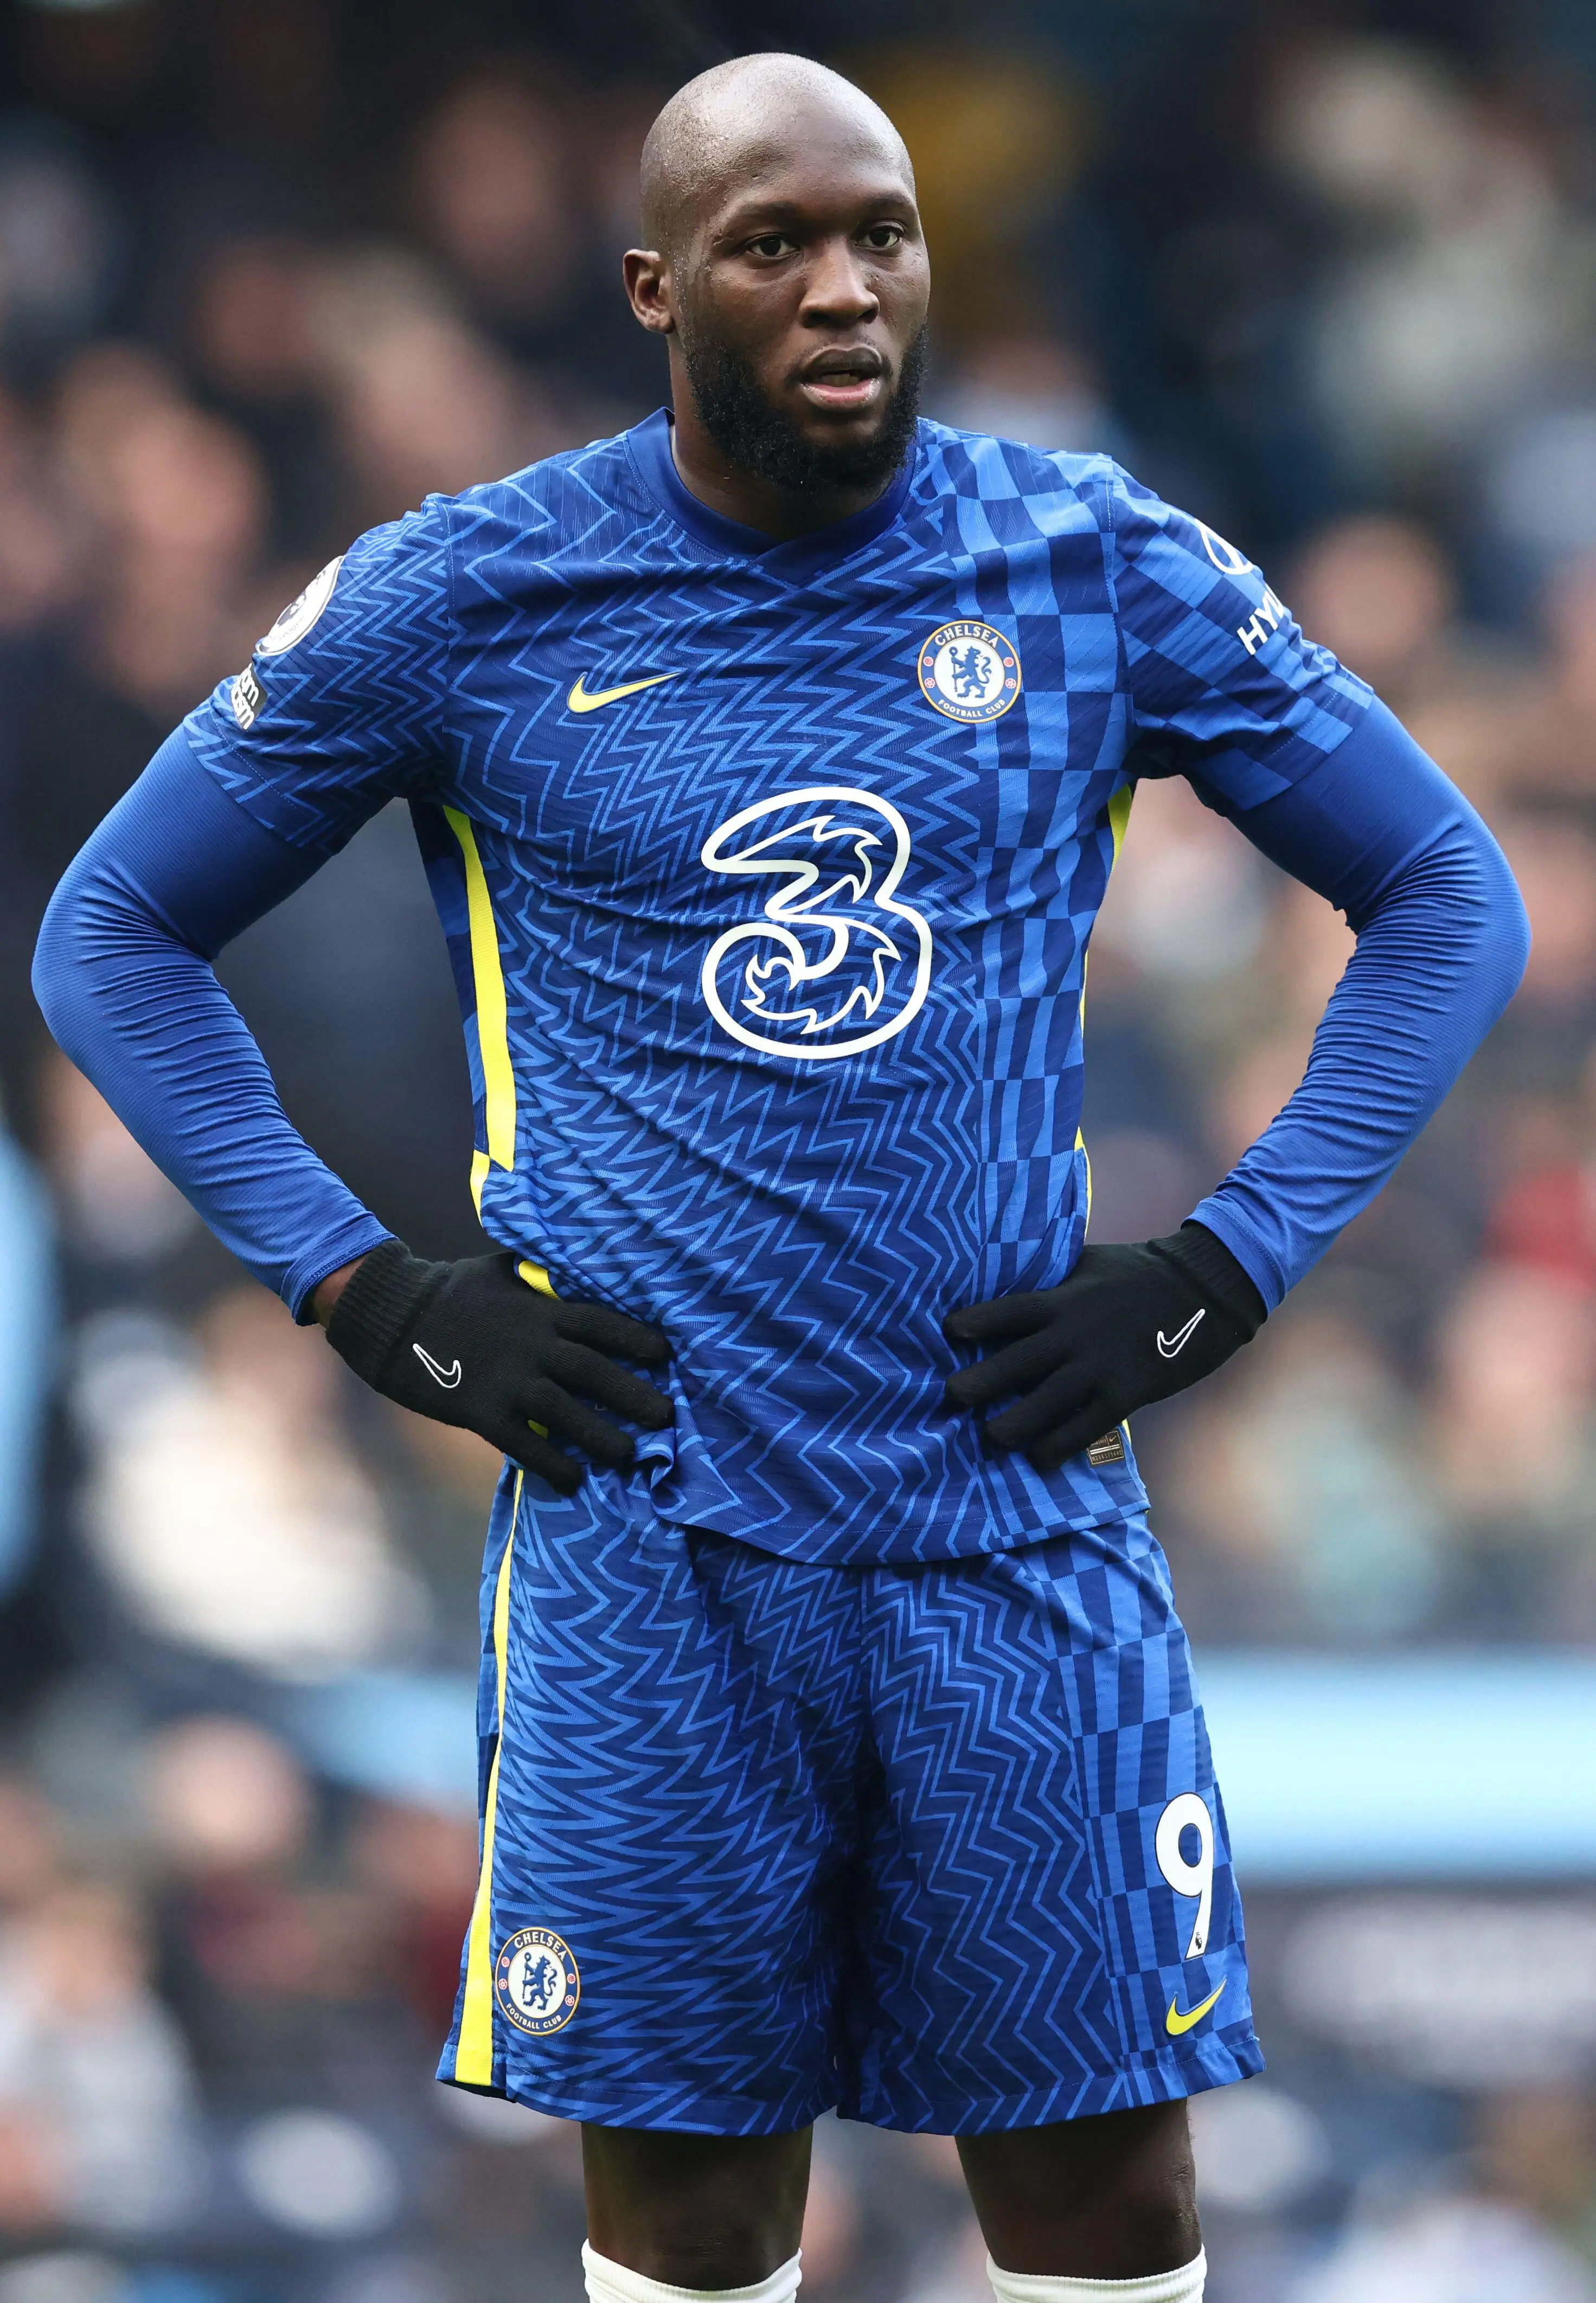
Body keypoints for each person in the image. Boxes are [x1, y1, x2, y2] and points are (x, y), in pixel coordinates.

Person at [34, 52, 1528, 2303]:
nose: (846, 291)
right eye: (776, 245)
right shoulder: (473, 592)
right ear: (655, 285)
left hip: (1011, 1516)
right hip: (656, 1542)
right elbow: (107, 934)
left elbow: (1446, 891)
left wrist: (1228, 1263)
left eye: (883, 237)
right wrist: (371, 1291)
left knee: (1112, 2197)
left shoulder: (1086, 564)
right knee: (702, 2220)